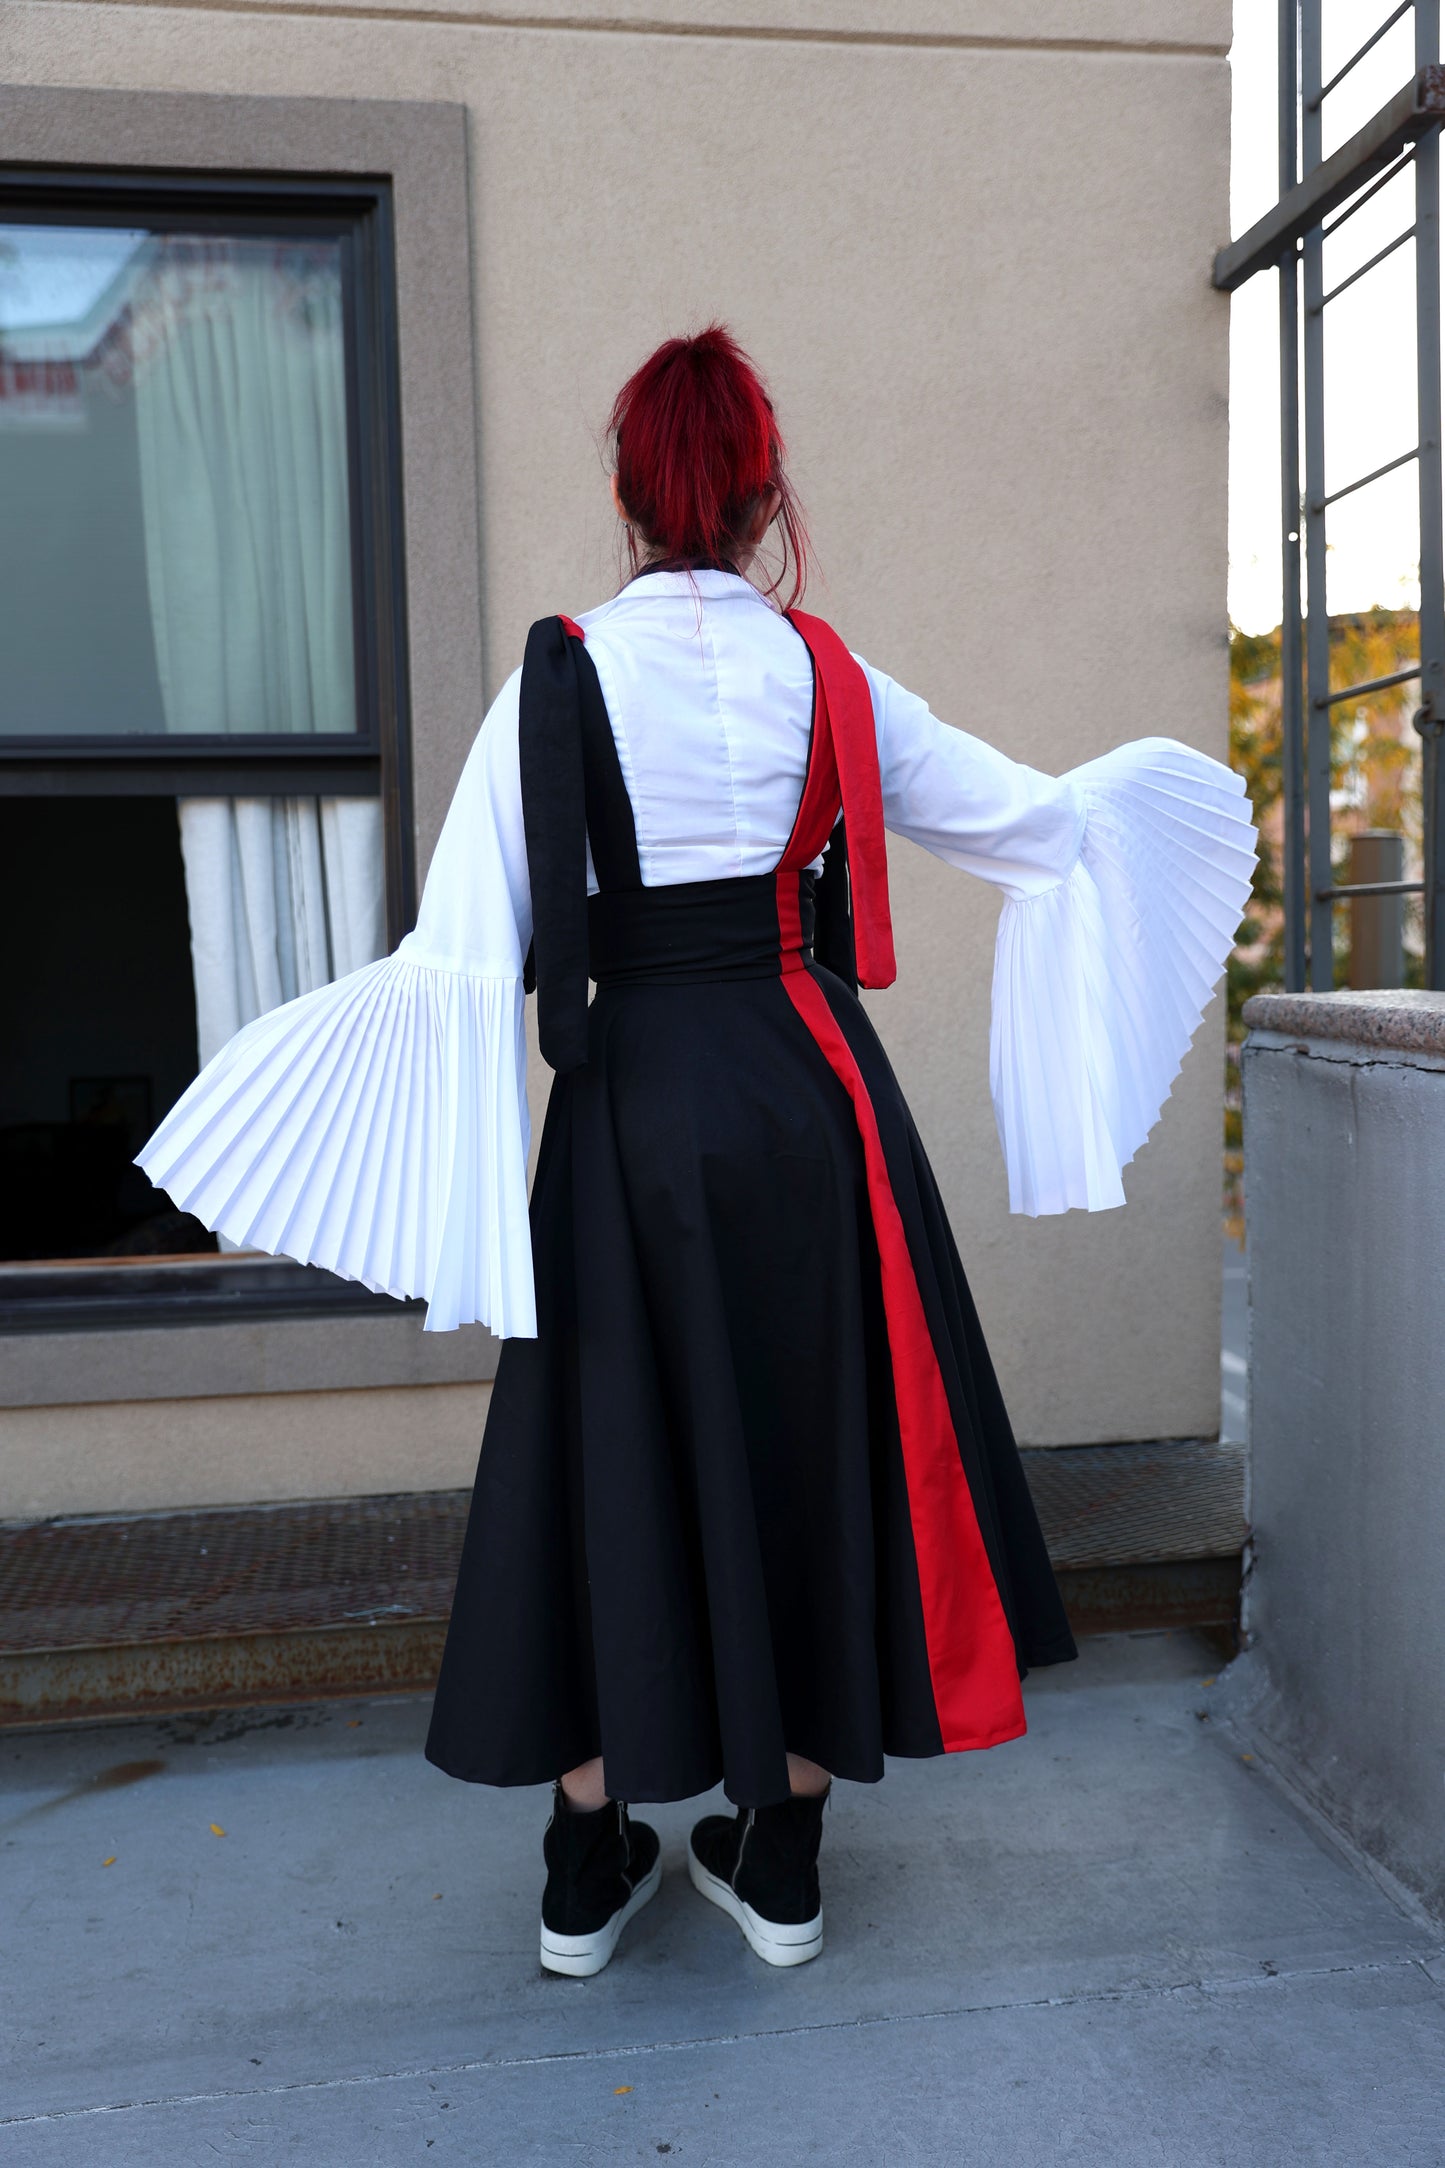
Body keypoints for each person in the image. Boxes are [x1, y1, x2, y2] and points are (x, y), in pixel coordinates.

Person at [140, 326, 1256, 1980]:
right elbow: (1038, 827)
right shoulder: (834, 679)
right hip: (814, 1107)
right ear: (761, 496)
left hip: (628, 1116)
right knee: (818, 1449)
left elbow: (462, 948)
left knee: (611, 1455)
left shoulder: (557, 679)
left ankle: (587, 1866)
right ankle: (781, 1860)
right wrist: (1161, 794)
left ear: (622, 490)